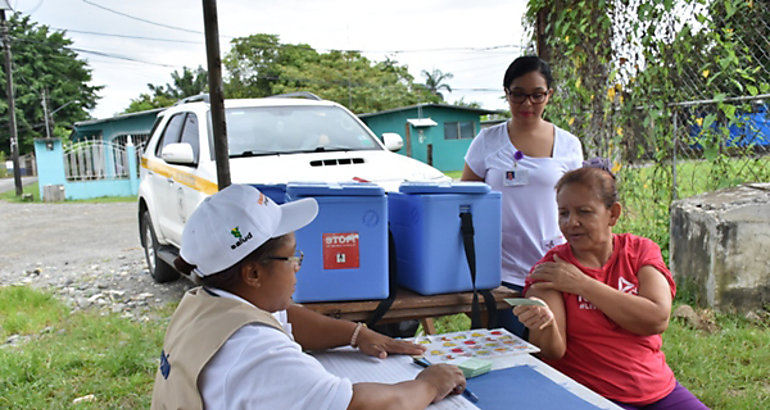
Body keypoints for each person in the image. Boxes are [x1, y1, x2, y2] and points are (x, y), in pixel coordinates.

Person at [151, 184, 466, 410]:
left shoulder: (207, 302)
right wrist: (428, 384)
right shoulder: (254, 350)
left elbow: (287, 317)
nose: (298, 266)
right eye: (291, 257)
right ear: (253, 274)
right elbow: (358, 405)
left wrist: (358, 334)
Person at [513, 164, 708, 409]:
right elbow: (552, 351)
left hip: (658, 389)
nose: (571, 222)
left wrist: (582, 284)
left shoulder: (640, 251)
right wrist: (544, 323)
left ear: (613, 214)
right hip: (591, 394)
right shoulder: (552, 269)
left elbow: (656, 319)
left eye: (584, 212)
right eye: (563, 213)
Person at [462, 55, 584, 337]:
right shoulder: (487, 141)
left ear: (549, 95)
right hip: (499, 273)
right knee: (497, 350)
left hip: (553, 268)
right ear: (506, 93)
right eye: (518, 95)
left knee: (552, 353)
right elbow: (464, 200)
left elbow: (579, 204)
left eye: (536, 95)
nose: (527, 104)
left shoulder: (568, 144)